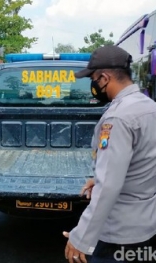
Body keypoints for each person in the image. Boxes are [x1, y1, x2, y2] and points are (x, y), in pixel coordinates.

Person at [63, 46, 156, 263]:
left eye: (93, 79)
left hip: (118, 235)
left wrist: (81, 237)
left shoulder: (118, 117)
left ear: (104, 78)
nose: (93, 85)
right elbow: (144, 162)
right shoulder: (150, 107)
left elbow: (109, 187)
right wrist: (99, 178)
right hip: (147, 226)